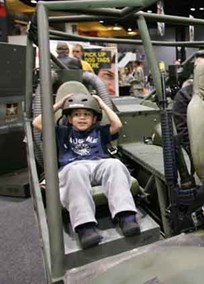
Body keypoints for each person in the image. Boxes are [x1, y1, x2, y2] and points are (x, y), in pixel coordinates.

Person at [32, 93, 140, 249]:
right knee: (76, 171)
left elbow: (117, 125)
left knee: (115, 165)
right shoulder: (62, 132)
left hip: (98, 164)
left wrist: (101, 104)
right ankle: (85, 227)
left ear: (94, 119)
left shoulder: (99, 131)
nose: (81, 118)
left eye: (86, 115)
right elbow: (37, 122)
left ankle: (126, 217)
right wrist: (61, 103)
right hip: (73, 166)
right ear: (69, 119)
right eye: (76, 115)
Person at [173, 49, 204, 154]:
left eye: (201, 67)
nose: (197, 71)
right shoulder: (184, 95)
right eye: (195, 67)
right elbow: (183, 132)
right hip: (199, 151)